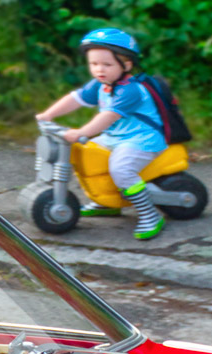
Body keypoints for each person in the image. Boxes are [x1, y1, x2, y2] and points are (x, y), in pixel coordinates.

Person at [35, 27, 167, 240]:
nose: (99, 69)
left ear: (126, 65)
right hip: (116, 137)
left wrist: (81, 132)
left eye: (107, 64)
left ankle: (149, 215)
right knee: (86, 155)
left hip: (141, 139)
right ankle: (107, 202)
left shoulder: (130, 89)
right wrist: (48, 115)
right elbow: (76, 98)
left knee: (121, 169)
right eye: (94, 64)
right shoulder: (101, 84)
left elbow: (108, 116)